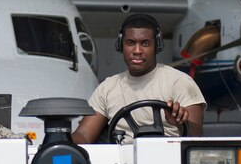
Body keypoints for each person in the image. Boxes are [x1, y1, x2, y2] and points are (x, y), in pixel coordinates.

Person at [72, 13, 206, 144]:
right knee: (61, 163)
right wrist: (57, 141)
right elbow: (84, 135)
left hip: (171, 161)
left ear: (157, 46)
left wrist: (180, 124)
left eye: (145, 43)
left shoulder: (180, 82)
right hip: (122, 163)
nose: (137, 50)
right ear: (121, 45)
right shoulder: (107, 88)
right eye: (130, 42)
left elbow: (197, 137)